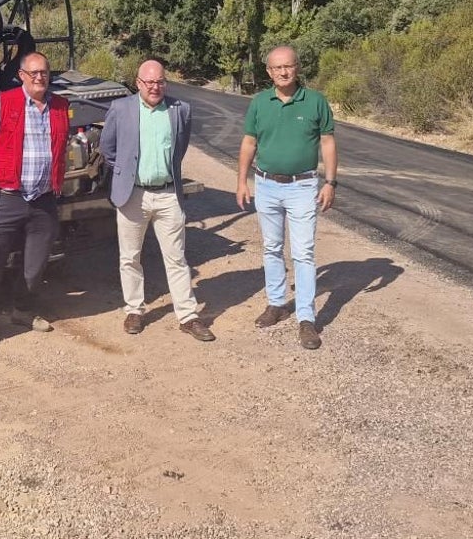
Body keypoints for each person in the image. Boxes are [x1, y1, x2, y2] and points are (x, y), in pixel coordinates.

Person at [100, 60, 214, 341]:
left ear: (166, 82)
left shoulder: (180, 110)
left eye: (160, 81)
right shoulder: (121, 108)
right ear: (138, 82)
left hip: (167, 195)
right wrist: (126, 171)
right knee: (130, 257)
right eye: (149, 82)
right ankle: (135, 310)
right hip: (132, 195)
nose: (154, 87)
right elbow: (108, 147)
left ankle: (187, 316)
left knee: (176, 258)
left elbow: (180, 147)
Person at [237, 45, 338, 350]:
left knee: (304, 252)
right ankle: (276, 303)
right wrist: (241, 180)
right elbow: (249, 142)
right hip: (266, 185)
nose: (283, 72)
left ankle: (306, 318)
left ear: (297, 68)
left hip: (303, 186)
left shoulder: (315, 102)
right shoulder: (259, 103)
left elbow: (328, 142)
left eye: (288, 66)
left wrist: (330, 182)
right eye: (277, 68)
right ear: (268, 72)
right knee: (271, 247)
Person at [0, 51, 67, 339]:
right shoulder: (4, 102)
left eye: (44, 73)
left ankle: (23, 310)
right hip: (8, 198)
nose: (40, 78)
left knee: (36, 264)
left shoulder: (60, 106)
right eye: (34, 73)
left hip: (44, 199)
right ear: (22, 76)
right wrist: (6, 168)